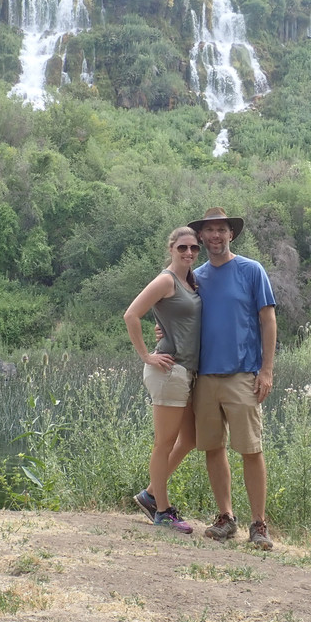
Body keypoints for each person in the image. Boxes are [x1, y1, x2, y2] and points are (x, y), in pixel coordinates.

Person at [188, 207, 277, 550]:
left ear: (231, 234)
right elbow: (181, 316)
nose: (215, 235)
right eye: (209, 230)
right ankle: (226, 519)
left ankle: (259, 524)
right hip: (204, 376)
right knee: (213, 448)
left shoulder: (252, 270)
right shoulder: (195, 277)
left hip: (243, 374)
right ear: (201, 236)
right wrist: (161, 332)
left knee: (251, 449)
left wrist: (266, 370)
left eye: (221, 229)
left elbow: (268, 320)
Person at [123, 226, 201, 534]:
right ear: (171, 249)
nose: (188, 252)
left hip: (186, 371)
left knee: (190, 439)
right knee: (164, 442)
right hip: (169, 370)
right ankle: (163, 511)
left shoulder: (191, 281)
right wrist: (146, 356)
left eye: (194, 248)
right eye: (182, 247)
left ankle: (150, 494)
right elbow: (131, 315)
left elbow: (182, 320)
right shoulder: (166, 280)